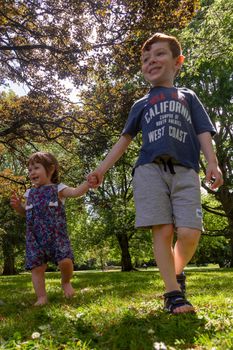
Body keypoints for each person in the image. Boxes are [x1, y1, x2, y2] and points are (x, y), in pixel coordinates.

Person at [87, 33, 223, 314]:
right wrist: (101, 169)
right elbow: (124, 140)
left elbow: (203, 131)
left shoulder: (188, 97)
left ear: (178, 62)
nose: (151, 61)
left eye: (159, 54)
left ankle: (175, 273)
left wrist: (213, 161)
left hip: (186, 171)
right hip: (149, 170)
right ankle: (173, 294)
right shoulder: (141, 104)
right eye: (146, 59)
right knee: (163, 229)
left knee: (189, 232)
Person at [11, 151, 91, 306]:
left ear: (51, 169)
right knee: (37, 268)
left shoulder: (58, 189)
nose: (32, 172)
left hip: (56, 235)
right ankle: (41, 297)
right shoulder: (29, 193)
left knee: (65, 261)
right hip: (35, 237)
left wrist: (87, 183)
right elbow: (25, 212)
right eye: (29, 170)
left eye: (36, 168)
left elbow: (76, 192)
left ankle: (66, 281)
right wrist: (17, 207)